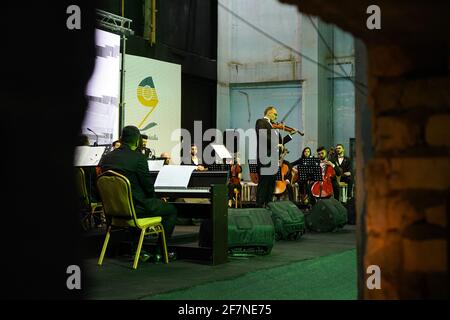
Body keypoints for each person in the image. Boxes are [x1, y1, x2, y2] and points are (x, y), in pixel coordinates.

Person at [99, 126, 177, 260]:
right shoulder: (138, 158)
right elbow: (148, 188)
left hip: (114, 211)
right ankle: (160, 252)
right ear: (137, 141)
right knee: (171, 210)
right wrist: (156, 199)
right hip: (135, 210)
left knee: (138, 199)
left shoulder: (106, 158)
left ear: (121, 139)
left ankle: (138, 250)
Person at [255, 106, 283, 207]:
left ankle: (268, 206)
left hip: (273, 159)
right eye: (275, 114)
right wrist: (276, 144)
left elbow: (279, 142)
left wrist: (289, 137)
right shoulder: (261, 122)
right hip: (265, 157)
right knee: (264, 184)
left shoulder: (274, 126)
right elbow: (262, 136)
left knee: (271, 185)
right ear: (269, 113)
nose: (276, 116)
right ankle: (259, 208)